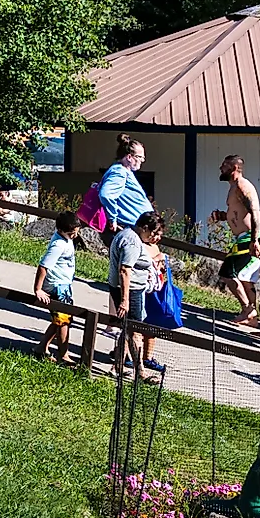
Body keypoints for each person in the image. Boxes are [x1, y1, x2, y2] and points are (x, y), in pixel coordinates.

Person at [109, 209, 168, 378]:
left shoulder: (126, 233)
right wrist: (125, 300)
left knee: (127, 328)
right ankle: (140, 372)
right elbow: (124, 270)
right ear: (144, 228)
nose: (156, 238)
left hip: (132, 289)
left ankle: (117, 366)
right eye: (154, 233)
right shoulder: (133, 242)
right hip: (130, 291)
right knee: (135, 331)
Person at [213, 155, 260, 320]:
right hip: (243, 236)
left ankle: (247, 310)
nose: (221, 168)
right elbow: (238, 213)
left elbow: (255, 213)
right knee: (246, 279)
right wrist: (222, 216)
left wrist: (254, 240)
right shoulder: (233, 187)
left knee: (228, 272)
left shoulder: (243, 186)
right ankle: (252, 319)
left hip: (249, 237)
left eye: (225, 165)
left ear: (234, 168)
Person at [36, 209, 83, 365]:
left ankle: (42, 347)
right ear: (61, 230)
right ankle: (63, 355)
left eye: (76, 232)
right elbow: (43, 266)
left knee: (62, 319)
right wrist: (38, 288)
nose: (74, 236)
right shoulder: (58, 245)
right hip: (57, 285)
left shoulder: (66, 239)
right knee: (63, 321)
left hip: (64, 284)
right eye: (72, 234)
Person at [96, 136, 150, 234]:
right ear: (129, 157)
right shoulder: (119, 172)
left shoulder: (122, 171)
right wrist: (112, 218)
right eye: (140, 157)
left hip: (138, 228)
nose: (142, 160)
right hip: (130, 229)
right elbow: (106, 195)